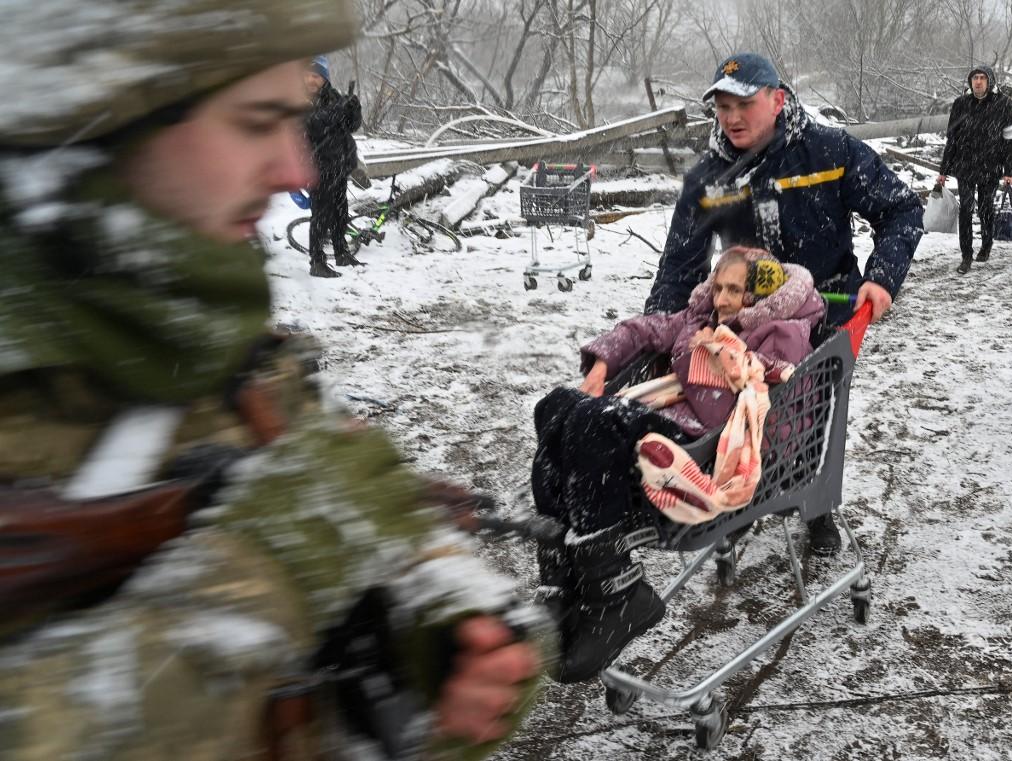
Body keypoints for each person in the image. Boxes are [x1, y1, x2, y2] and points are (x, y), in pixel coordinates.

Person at [0, 2, 545, 759]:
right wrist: (266, 572)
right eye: (257, 121)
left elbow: (360, 518)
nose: (294, 167)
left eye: (294, 117)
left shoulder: (222, 336)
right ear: (99, 126)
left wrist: (431, 626)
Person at [644, 52, 923, 553]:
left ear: (778, 100)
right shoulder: (709, 180)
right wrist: (659, 333)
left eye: (744, 103)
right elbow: (678, 268)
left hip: (827, 314)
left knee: (812, 414)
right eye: (722, 107)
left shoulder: (829, 152)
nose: (731, 118)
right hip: (743, 322)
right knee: (737, 411)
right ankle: (744, 493)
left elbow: (901, 209)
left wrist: (882, 278)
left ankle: (815, 507)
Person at [532, 247, 825, 684]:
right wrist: (602, 363)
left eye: (735, 291)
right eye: (718, 287)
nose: (722, 300)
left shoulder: (781, 331)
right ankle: (561, 577)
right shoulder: (697, 320)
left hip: (700, 444)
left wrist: (717, 355)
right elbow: (644, 329)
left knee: (594, 424)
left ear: (759, 295)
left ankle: (616, 592)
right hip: (666, 419)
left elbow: (773, 404)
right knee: (555, 407)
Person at [937, 65, 1012, 274]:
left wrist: (1009, 171)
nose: (978, 82)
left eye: (982, 78)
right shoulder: (961, 104)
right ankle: (966, 255)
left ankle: (986, 244)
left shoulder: (1004, 104)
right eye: (975, 78)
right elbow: (952, 139)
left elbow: (1011, 139)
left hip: (990, 167)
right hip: (965, 166)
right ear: (970, 81)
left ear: (989, 81)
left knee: (985, 207)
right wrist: (943, 170)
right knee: (965, 209)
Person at [304, 55, 364, 278]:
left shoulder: (333, 96)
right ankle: (317, 261)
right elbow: (314, 124)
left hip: (339, 164)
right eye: (308, 75)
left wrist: (353, 109)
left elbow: (351, 126)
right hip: (316, 165)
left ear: (324, 77)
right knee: (320, 215)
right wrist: (339, 109)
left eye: (316, 75)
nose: (311, 79)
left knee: (340, 212)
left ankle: (341, 252)